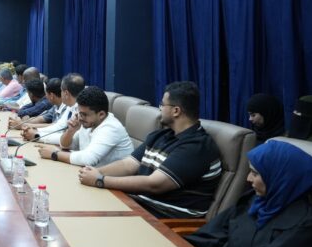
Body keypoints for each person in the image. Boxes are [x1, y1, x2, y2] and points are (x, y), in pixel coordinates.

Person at [185, 141, 312, 247]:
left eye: (255, 173)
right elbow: (214, 232)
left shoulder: (308, 225)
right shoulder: (256, 200)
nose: (248, 179)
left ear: (281, 177)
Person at [78, 81, 222, 219]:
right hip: (140, 205)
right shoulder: (160, 135)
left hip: (164, 218)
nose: (160, 109)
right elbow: (128, 165)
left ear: (176, 111)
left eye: (162, 105)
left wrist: (101, 181)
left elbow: (154, 184)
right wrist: (95, 173)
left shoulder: (197, 146)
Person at [38, 86, 134, 167]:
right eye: (79, 113)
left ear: (101, 114)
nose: (80, 117)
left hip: (112, 181)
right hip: (90, 173)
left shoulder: (111, 128)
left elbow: (88, 159)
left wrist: (54, 154)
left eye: (84, 114)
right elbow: (65, 145)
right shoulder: (88, 123)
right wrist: (70, 131)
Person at [21, 73, 84, 145]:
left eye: (61, 91)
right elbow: (58, 127)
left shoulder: (82, 111)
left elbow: (73, 140)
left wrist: (37, 136)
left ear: (66, 93)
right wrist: (36, 130)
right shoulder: (70, 106)